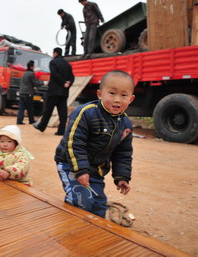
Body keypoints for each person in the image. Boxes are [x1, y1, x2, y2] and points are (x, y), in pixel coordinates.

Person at [54, 70, 135, 218]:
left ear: (131, 99)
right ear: (99, 94)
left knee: (98, 205)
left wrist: (122, 176)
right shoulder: (85, 113)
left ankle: (91, 235)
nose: (117, 99)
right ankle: (69, 228)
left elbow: (123, 153)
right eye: (112, 93)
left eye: (124, 95)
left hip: (96, 169)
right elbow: (73, 142)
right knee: (81, 200)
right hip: (71, 164)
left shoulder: (126, 124)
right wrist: (81, 170)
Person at [33, 47, 74, 136]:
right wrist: (68, 84)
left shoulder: (53, 62)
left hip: (54, 91)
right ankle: (61, 130)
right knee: (62, 112)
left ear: (55, 53)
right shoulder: (68, 64)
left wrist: (63, 83)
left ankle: (41, 126)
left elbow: (55, 75)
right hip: (64, 92)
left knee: (48, 110)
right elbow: (72, 77)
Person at [17, 60, 42, 125]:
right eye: (34, 66)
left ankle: (19, 121)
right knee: (30, 108)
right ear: (31, 67)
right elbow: (35, 83)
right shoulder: (31, 74)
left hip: (22, 92)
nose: (34, 67)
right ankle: (31, 120)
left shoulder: (24, 73)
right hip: (28, 94)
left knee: (21, 108)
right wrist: (42, 83)